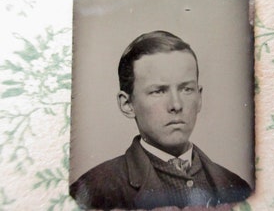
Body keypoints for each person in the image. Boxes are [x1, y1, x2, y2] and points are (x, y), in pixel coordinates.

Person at [70, 30, 251, 210]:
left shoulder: (237, 186)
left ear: (199, 97)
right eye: (158, 91)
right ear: (127, 104)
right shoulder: (94, 189)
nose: (176, 105)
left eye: (186, 89)